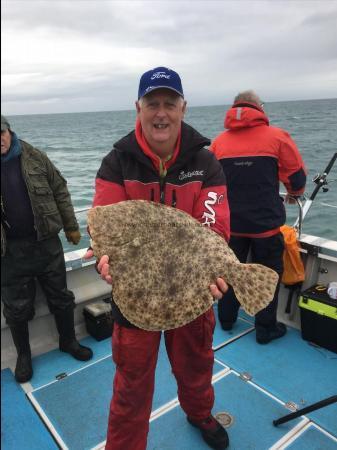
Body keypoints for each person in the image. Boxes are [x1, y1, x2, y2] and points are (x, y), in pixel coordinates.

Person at [85, 67, 231, 450]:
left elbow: (214, 225)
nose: (161, 112)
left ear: (183, 108)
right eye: (153, 103)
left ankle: (199, 412)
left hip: (191, 293)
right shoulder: (117, 163)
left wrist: (216, 270)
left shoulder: (207, 163)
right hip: (135, 296)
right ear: (139, 107)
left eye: (170, 103)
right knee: (131, 382)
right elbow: (104, 228)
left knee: (196, 366)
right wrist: (104, 257)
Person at [209, 90, 307, 344]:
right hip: (265, 227)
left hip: (231, 227)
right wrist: (294, 193)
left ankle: (227, 320)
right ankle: (265, 329)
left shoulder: (218, 143)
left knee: (229, 273)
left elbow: (210, 184)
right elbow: (296, 177)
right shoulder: (278, 137)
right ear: (259, 108)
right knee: (267, 277)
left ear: (234, 109)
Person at [1, 115, 93, 383]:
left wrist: (71, 226)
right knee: (16, 309)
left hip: (46, 243)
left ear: (9, 131)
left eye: (1, 133)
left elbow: (60, 190)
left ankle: (68, 341)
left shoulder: (35, 157)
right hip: (9, 253)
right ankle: (24, 356)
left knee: (61, 297)